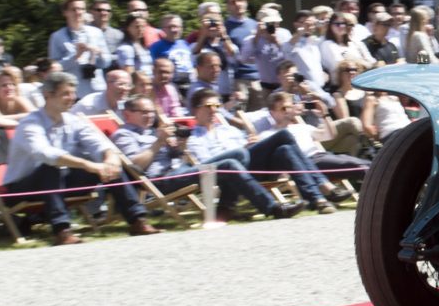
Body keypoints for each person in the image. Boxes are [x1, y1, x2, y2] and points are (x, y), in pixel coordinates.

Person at [2, 72, 156, 243]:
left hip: (60, 182)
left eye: (73, 93)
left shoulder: (73, 120)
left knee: (110, 165)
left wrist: (109, 158)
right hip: (21, 189)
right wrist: (87, 165)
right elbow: (45, 154)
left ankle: (137, 220)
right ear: (48, 95)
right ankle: (62, 231)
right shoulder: (30, 123)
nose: (72, 98)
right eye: (65, 94)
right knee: (51, 168)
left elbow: (100, 143)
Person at [111, 95, 303, 222]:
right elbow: (135, 167)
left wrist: (179, 146)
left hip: (181, 169)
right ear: (128, 114)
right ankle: (269, 207)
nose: (149, 116)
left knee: (240, 154)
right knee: (230, 164)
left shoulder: (153, 133)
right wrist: (158, 143)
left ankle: (229, 206)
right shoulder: (124, 135)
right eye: (143, 112)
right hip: (159, 181)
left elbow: (176, 156)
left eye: (151, 111)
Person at [184, 88, 349, 214]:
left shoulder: (229, 130)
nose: (214, 110)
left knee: (284, 149)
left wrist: (251, 142)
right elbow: (208, 167)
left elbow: (248, 145)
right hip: (233, 174)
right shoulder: (195, 139)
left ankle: (318, 199)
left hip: (254, 167)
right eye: (209, 106)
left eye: (217, 105)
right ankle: (322, 188)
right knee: (284, 135)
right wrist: (242, 150)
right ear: (196, 110)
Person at [254, 91, 369, 181]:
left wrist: (324, 115)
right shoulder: (268, 135)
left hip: (322, 156)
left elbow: (329, 136)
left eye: (290, 106)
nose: (288, 110)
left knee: (366, 163)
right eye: (283, 108)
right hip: (307, 162)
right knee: (355, 165)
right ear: (272, 113)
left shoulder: (301, 127)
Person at [48, 0, 113, 96]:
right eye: (74, 9)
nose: (78, 12)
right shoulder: (57, 37)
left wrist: (99, 53)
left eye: (82, 9)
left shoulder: (96, 32)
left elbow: (106, 63)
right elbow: (55, 70)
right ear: (65, 12)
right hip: (73, 93)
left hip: (97, 91)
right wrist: (75, 56)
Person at [0, 67, 33, 164]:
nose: (10, 88)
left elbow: (35, 116)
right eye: (4, 85)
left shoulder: (19, 100)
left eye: (12, 84)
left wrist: (0, 118)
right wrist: (18, 123)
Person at [240, 8, 292, 101]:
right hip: (266, 86)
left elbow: (291, 56)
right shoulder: (251, 39)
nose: (274, 25)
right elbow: (244, 58)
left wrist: (276, 42)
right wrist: (257, 36)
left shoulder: (284, 34)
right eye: (271, 23)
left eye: (276, 22)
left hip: (285, 84)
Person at [281, 9, 329, 91]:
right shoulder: (291, 44)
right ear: (296, 24)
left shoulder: (314, 42)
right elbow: (287, 47)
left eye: (313, 24)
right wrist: (300, 31)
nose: (311, 27)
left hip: (321, 88)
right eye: (307, 24)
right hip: (303, 90)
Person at [149, 15, 195, 84]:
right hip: (170, 84)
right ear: (162, 29)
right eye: (170, 27)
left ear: (181, 28)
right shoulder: (156, 47)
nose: (174, 30)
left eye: (176, 27)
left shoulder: (185, 44)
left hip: (190, 83)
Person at [114, 13, 154, 77]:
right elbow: (129, 74)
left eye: (143, 26)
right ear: (128, 28)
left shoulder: (143, 46)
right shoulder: (126, 48)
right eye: (137, 26)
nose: (140, 29)